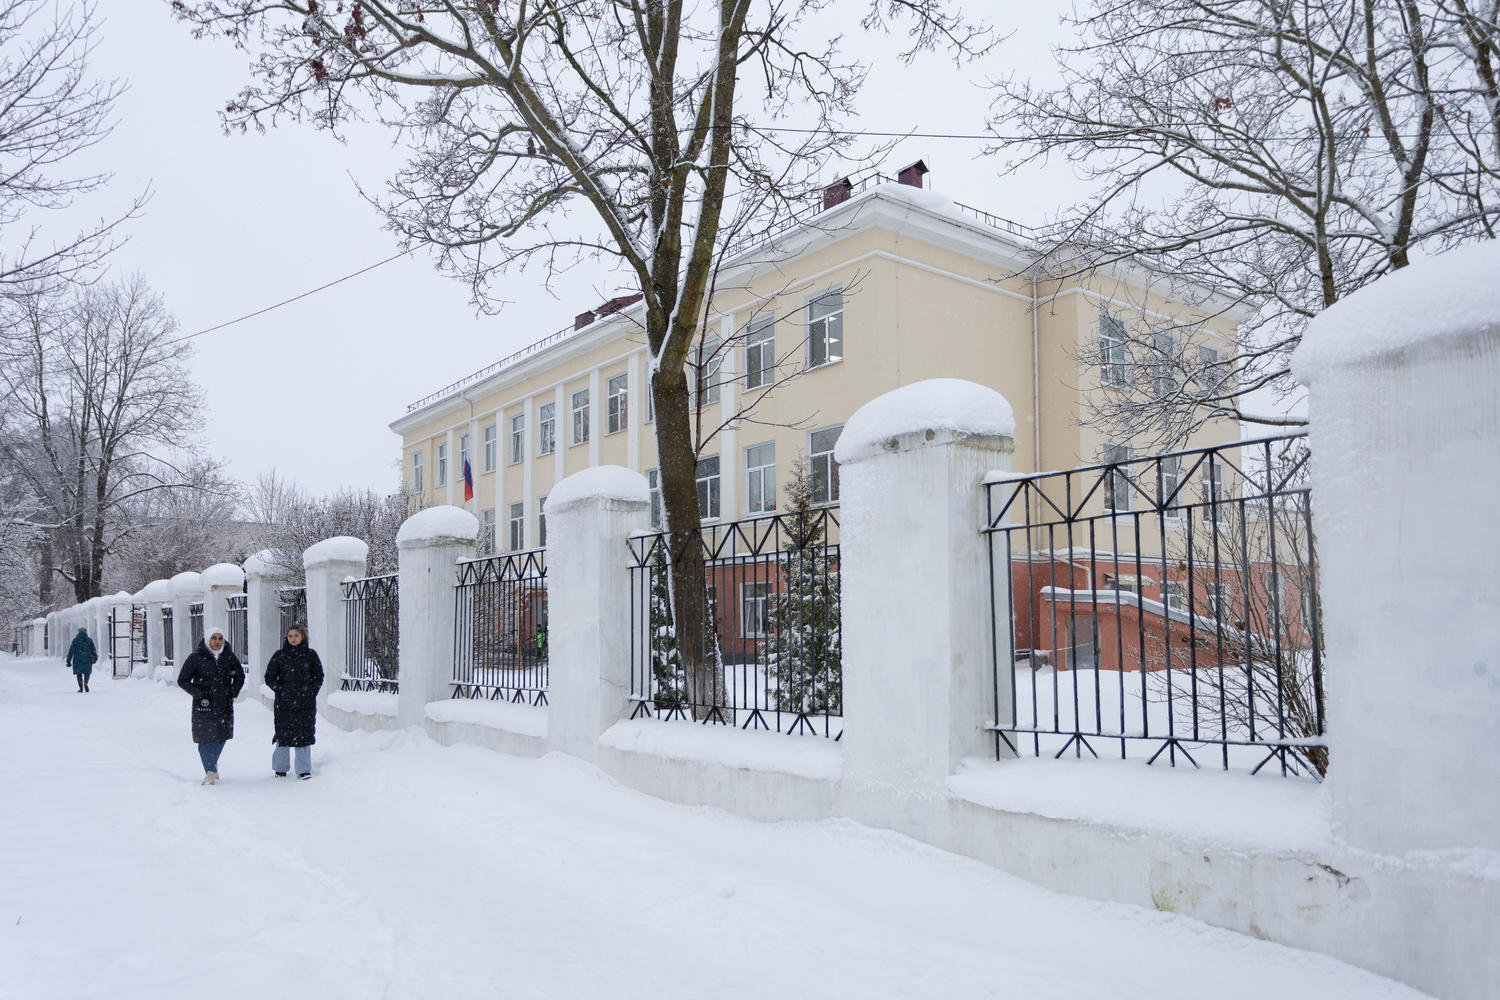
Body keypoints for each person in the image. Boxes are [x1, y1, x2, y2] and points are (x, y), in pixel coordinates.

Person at [177, 625, 245, 785]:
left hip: (224, 703)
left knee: (222, 736)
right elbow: (182, 680)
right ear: (207, 640)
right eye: (214, 638)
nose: (217, 641)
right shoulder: (195, 658)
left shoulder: (228, 657)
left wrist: (233, 692)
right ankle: (209, 771)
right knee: (205, 738)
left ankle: (212, 764)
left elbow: (240, 675)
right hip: (204, 705)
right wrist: (199, 694)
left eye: (220, 638)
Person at [263, 622, 323, 780]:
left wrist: (310, 692)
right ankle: (280, 768)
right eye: (290, 636)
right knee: (283, 734)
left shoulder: (311, 655)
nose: (293, 639)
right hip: (284, 703)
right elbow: (269, 677)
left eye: (296, 636)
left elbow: (318, 676)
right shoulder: (280, 655)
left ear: (303, 636)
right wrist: (281, 690)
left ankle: (303, 769)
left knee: (303, 734)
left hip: (305, 703)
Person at [65, 627, 98, 693]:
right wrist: (95, 657)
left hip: (78, 659)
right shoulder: (89, 640)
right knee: (87, 672)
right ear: (86, 632)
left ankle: (81, 688)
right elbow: (93, 650)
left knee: (79, 673)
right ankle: (86, 683)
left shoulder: (75, 640)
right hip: (87, 659)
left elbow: (71, 651)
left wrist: (68, 661)